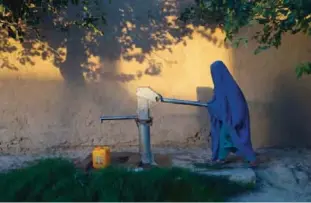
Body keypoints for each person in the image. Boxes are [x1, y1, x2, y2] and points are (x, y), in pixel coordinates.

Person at [207, 60, 257, 167]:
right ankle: (221, 158)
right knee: (225, 137)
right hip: (228, 118)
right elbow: (218, 103)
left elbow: (238, 104)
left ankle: (251, 158)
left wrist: (236, 120)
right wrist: (211, 105)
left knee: (234, 136)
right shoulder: (219, 88)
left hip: (235, 118)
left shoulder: (231, 87)